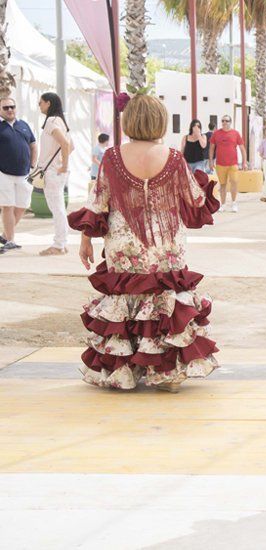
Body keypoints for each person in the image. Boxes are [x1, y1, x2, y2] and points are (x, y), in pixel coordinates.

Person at [67, 93, 220, 392]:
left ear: (129, 120)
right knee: (163, 296)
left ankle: (124, 371)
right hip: (166, 241)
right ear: (160, 121)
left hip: (124, 241)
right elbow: (195, 199)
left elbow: (98, 202)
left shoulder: (111, 157)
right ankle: (165, 374)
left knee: (126, 297)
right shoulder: (174, 158)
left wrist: (85, 239)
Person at [0, 97, 37, 254]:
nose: (9, 110)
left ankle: (5, 236)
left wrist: (33, 165)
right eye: (6, 107)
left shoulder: (24, 125)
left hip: (24, 174)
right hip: (3, 173)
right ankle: (10, 240)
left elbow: (33, 145)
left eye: (12, 106)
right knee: (8, 206)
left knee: (22, 206)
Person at [37, 92, 72, 256]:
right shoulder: (61, 122)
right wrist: (62, 163)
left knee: (56, 208)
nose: (39, 106)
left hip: (52, 172)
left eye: (41, 103)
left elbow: (65, 144)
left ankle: (58, 245)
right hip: (56, 171)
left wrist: (63, 165)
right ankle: (61, 243)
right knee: (58, 208)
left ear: (48, 103)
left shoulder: (51, 121)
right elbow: (70, 146)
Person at [208, 115, 246, 213]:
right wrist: (211, 161)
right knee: (223, 184)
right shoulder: (216, 133)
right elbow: (211, 148)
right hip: (220, 164)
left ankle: (234, 203)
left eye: (227, 121)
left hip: (233, 164)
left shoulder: (235, 133)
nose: (224, 122)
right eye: (223, 120)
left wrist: (244, 162)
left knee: (234, 183)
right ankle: (223, 204)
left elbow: (242, 148)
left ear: (230, 122)